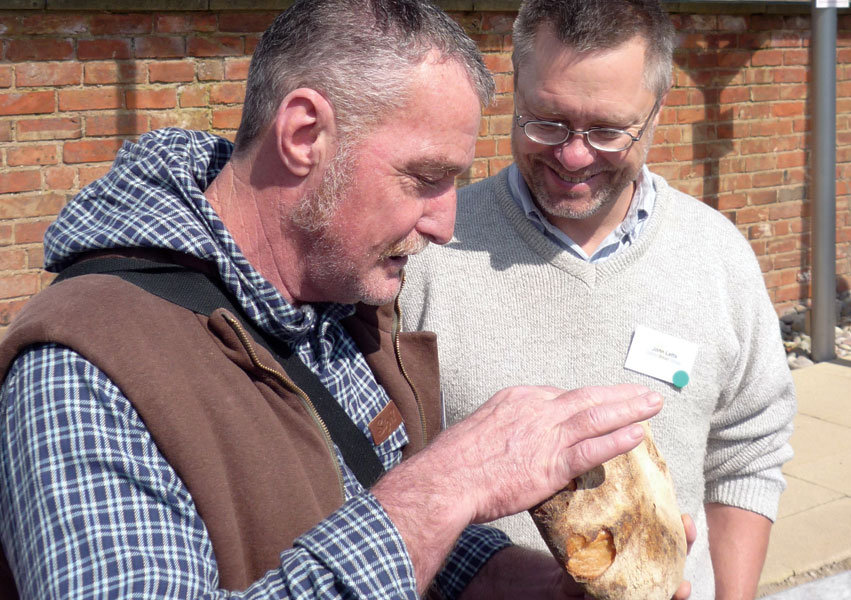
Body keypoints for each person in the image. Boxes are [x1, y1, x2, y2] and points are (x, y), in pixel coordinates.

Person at [0, 1, 677, 598]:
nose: (446, 223)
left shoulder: (336, 298)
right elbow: (394, 520)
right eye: (426, 178)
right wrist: (443, 488)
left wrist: (506, 580)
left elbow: (351, 500)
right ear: (302, 136)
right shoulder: (80, 371)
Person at [401, 1, 797, 599]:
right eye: (548, 121)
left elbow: (748, 452)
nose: (574, 155)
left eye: (608, 130)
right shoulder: (424, 251)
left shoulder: (717, 256)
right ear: (515, 90)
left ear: (657, 114)